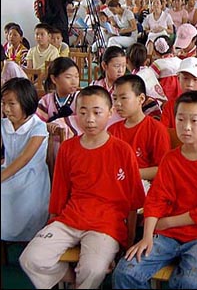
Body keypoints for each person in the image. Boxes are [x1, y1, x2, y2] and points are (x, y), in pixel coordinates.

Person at [19, 86, 145, 289]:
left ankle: (82, 281)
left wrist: (127, 242)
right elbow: (59, 192)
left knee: (92, 269)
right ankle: (72, 280)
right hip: (70, 219)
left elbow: (134, 201)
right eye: (83, 112)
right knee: (30, 259)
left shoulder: (123, 150)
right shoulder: (68, 148)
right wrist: (52, 223)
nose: (90, 119)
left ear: (110, 112)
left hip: (106, 225)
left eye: (97, 112)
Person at [112, 90, 197, 289]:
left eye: (194, 120)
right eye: (180, 119)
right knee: (125, 272)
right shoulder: (170, 159)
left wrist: (166, 223)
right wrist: (147, 235)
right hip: (166, 235)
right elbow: (156, 199)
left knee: (192, 282)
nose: (186, 127)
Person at [1, 78, 50, 242]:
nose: (6, 109)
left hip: (31, 178)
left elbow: (24, 159)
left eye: (11, 104)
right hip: (8, 172)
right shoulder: (3, 124)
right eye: (3, 103)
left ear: (26, 102)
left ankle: (19, 235)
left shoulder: (38, 127)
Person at [109, 74, 170, 185]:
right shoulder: (113, 130)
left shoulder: (156, 129)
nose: (117, 103)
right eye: (115, 98)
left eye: (123, 98)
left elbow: (162, 168)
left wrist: (129, 174)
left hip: (144, 185)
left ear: (141, 99)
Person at [160, 56, 197, 130]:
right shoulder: (169, 107)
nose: (190, 84)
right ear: (178, 78)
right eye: (185, 78)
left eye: (195, 79)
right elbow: (163, 132)